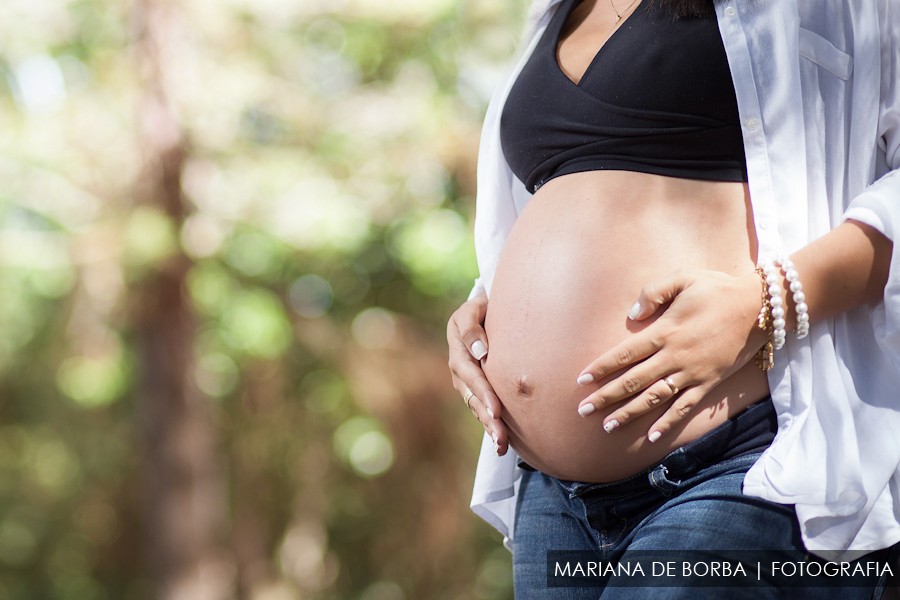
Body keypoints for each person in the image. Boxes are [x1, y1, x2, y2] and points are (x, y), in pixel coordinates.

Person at [446, 0, 900, 597]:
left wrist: (769, 300)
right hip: (553, 499)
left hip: (743, 460)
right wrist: (486, 308)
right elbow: (547, 208)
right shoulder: (555, 12)